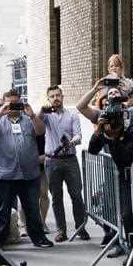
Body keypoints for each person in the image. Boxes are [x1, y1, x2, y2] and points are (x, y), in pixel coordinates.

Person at [87, 89, 133, 264]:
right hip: (125, 178)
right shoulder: (108, 127)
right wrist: (101, 131)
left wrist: (114, 139)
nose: (114, 125)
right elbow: (93, 150)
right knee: (126, 214)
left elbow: (127, 156)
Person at [0, 90, 53, 248]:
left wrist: (33, 115)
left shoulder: (27, 119)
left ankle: (38, 238)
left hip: (28, 175)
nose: (13, 106)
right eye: (10, 103)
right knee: (2, 211)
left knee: (32, 209)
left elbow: (41, 131)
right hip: (4, 175)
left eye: (16, 102)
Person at [40, 85, 89, 242]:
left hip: (70, 159)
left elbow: (78, 135)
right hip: (52, 161)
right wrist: (42, 109)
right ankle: (61, 230)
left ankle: (81, 228)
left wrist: (72, 142)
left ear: (62, 96)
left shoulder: (72, 114)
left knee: (76, 195)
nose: (55, 98)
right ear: (48, 99)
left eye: (58, 95)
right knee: (56, 197)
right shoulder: (46, 115)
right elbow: (37, 121)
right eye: (52, 96)